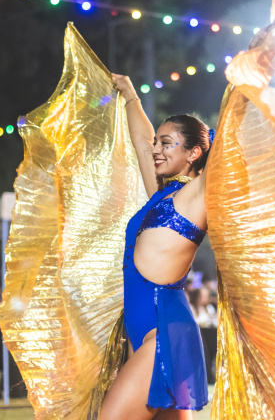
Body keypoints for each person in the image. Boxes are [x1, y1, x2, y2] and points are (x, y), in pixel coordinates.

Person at [94, 74, 211, 419]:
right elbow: (142, 140)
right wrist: (130, 95)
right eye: (159, 142)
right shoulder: (160, 195)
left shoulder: (197, 194)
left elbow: (232, 141)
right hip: (143, 333)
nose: (157, 149)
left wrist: (250, 75)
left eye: (167, 143)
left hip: (164, 331)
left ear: (194, 153)